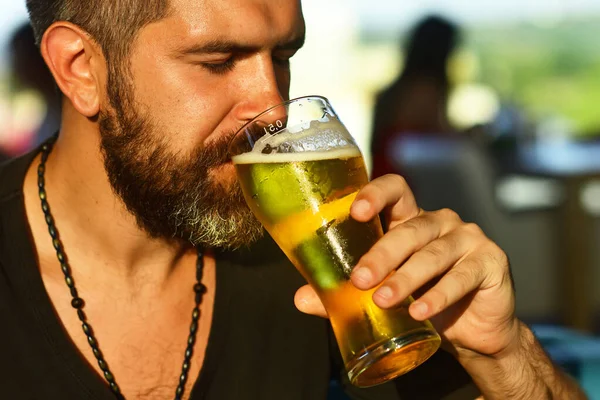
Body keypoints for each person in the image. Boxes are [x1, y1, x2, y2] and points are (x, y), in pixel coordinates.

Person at [0, 0, 586, 399]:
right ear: (80, 68)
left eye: (282, 57)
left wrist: (507, 358)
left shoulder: (314, 246)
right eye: (218, 61)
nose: (274, 108)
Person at [370, 15, 459, 179]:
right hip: (405, 185)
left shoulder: (395, 90)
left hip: (382, 181)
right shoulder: (426, 89)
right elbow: (444, 138)